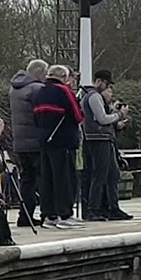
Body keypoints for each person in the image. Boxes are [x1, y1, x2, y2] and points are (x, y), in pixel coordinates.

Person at [31, 64, 85, 230]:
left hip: (45, 139)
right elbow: (78, 116)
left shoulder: (40, 92)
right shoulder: (64, 90)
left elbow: (35, 116)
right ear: (63, 77)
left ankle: (49, 215)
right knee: (64, 178)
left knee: (47, 179)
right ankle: (65, 215)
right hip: (63, 140)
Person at [80, 69, 131, 221]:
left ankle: (111, 207)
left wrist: (117, 122)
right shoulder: (94, 96)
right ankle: (94, 209)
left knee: (112, 174)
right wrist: (119, 115)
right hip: (98, 139)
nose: (108, 88)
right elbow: (101, 118)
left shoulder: (94, 97)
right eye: (107, 84)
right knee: (100, 175)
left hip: (103, 138)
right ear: (99, 81)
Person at [9, 59, 49, 226]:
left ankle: (24, 215)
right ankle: (47, 214)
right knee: (43, 179)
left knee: (27, 179)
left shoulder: (14, 89)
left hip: (20, 141)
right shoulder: (37, 89)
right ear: (39, 72)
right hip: (35, 140)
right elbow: (42, 115)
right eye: (45, 73)